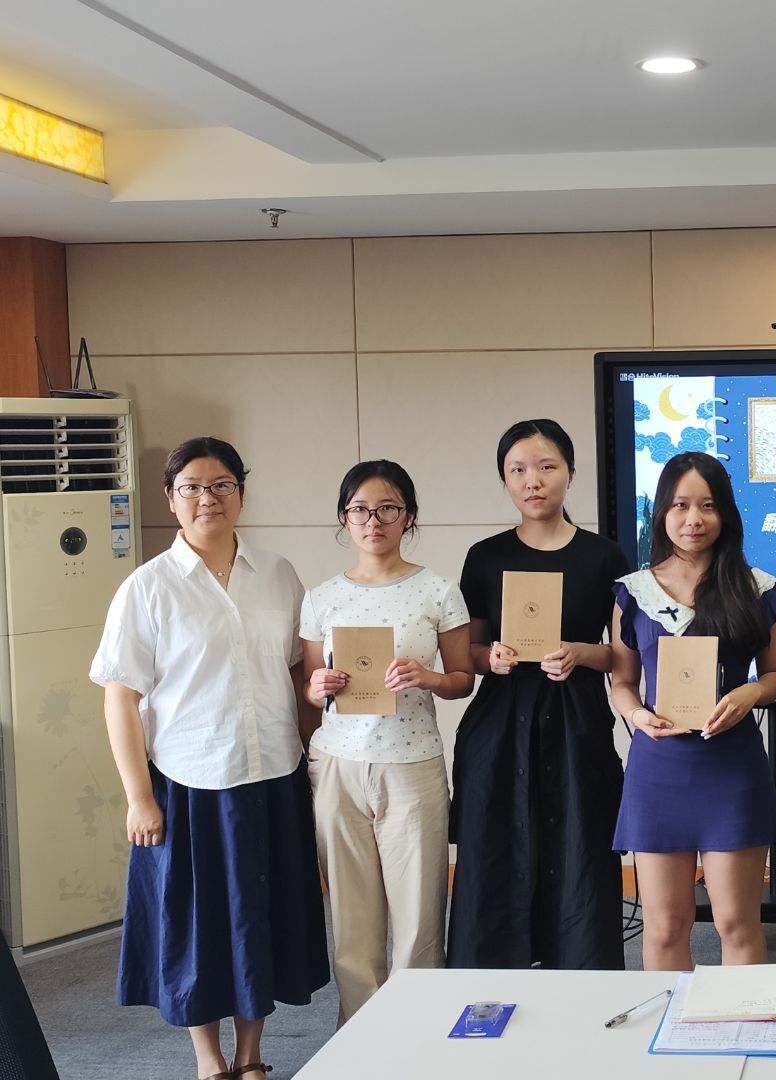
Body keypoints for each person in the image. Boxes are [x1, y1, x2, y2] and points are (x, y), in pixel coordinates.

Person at [91, 437, 328, 1080]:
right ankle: (208, 1059)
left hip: (273, 773)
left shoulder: (278, 573)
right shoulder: (146, 588)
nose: (208, 498)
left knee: (260, 918)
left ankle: (251, 1056)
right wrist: (138, 797)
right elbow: (120, 698)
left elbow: (298, 673)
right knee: (196, 926)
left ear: (241, 495)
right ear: (170, 499)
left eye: (221, 485)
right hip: (189, 781)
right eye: (191, 487)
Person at [447, 420, 631, 969]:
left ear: (570, 473)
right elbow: (467, 652)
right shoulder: (485, 556)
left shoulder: (605, 557)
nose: (533, 480)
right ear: (505, 480)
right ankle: (489, 990)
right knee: (496, 852)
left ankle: (581, 985)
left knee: (580, 851)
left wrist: (579, 652)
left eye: (547, 467)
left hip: (576, 722)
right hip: (501, 724)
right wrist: (491, 657)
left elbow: (621, 657)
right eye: (518, 470)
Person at [300, 460, 473, 1023]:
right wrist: (317, 686)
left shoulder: (438, 591)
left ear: (409, 517)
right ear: (344, 519)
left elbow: (463, 680)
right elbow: (309, 688)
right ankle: (362, 1033)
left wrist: (427, 677)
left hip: (412, 764)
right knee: (351, 918)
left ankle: (416, 1031)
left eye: (387, 508)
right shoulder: (321, 597)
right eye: (360, 510)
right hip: (338, 766)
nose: (373, 521)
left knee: (420, 915)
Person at [609, 451, 776, 971]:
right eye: (680, 505)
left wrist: (749, 694)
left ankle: (743, 1018)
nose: (694, 519)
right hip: (658, 770)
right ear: (661, 513)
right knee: (665, 926)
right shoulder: (633, 592)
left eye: (708, 506)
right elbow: (622, 682)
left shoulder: (757, 588)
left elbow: (775, 675)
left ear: (725, 513)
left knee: (736, 923)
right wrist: (638, 716)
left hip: (732, 768)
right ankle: (671, 1023)